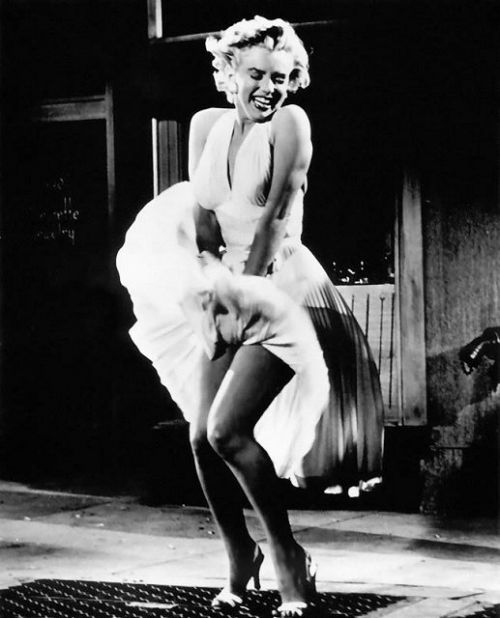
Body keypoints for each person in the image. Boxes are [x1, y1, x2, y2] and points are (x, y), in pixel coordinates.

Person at [117, 16, 384, 617]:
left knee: (226, 431)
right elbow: (204, 216)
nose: (271, 88)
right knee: (199, 435)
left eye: (283, 77)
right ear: (229, 72)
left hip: (281, 293)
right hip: (228, 286)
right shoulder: (205, 125)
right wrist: (210, 279)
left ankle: (288, 556)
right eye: (258, 74)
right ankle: (241, 555)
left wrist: (243, 294)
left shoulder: (291, 124)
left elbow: (273, 221)